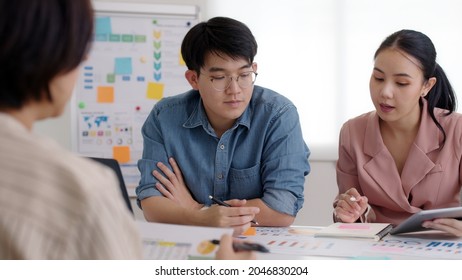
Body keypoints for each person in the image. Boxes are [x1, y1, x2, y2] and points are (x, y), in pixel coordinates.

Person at [0, 0, 254, 260]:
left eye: (244, 74)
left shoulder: (276, 111)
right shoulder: (80, 190)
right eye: (79, 49)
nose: (235, 88)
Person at [136, 17, 310, 235]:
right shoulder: (164, 117)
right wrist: (202, 218)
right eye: (219, 77)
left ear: (254, 69)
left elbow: (282, 208)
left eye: (244, 75)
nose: (235, 89)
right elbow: (152, 203)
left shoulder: (278, 115)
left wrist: (195, 209)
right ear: (193, 79)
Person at [334, 29, 462, 237]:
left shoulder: (456, 129)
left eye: (401, 83)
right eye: (378, 78)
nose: (385, 92)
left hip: (440, 246)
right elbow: (349, 209)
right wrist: (349, 213)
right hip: (377, 249)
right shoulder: (352, 132)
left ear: (426, 86)